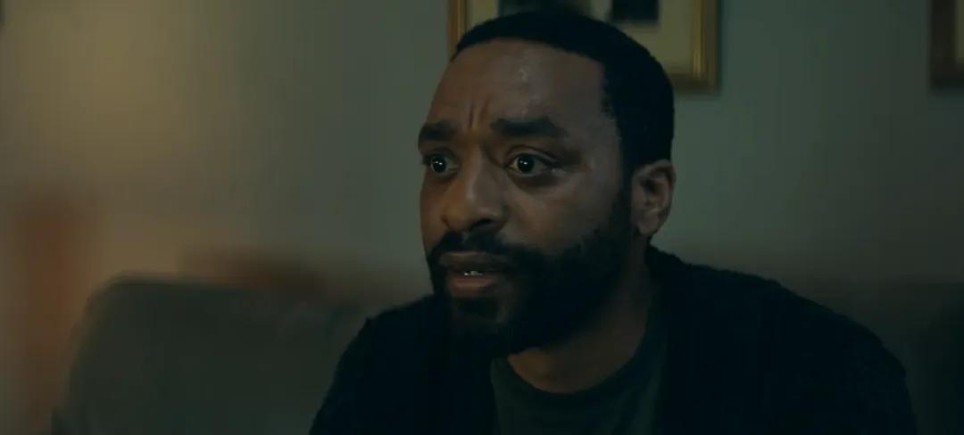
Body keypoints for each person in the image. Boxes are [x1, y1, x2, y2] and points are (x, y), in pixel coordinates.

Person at [310, 12, 914, 435]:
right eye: (440, 163)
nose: (461, 207)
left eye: (527, 163)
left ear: (648, 198)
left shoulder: (812, 374)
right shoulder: (391, 364)